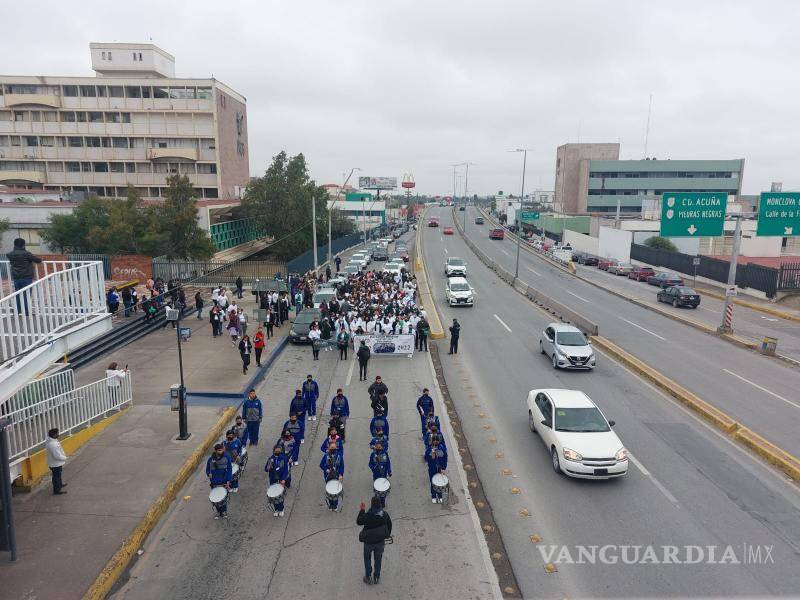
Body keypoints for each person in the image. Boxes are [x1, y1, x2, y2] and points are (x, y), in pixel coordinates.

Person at [357, 496, 392, 585]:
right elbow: (389, 525)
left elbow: (359, 521)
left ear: (372, 504)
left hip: (368, 543)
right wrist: (385, 535)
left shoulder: (368, 515)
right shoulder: (384, 514)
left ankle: (368, 577)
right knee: (378, 560)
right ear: (380, 504)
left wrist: (362, 510)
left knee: (367, 559)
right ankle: (376, 577)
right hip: (380, 542)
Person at [205, 443, 232, 518]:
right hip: (214, 482)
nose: (221, 451)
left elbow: (229, 469)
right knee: (216, 498)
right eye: (219, 450)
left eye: (221, 450)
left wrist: (228, 480)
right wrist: (208, 474)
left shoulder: (227, 458)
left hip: (223, 481)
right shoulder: (210, 459)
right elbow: (207, 469)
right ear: (216, 451)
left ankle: (224, 511)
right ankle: (218, 512)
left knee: (222, 498)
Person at [265, 445, 290, 516]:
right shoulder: (270, 459)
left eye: (279, 451)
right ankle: (276, 509)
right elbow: (266, 469)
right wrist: (269, 466)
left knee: (280, 495)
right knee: (274, 496)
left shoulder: (283, 458)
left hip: (280, 479)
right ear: (274, 451)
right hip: (273, 480)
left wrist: (283, 479)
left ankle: (281, 509)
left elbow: (285, 469)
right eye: (276, 451)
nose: (277, 452)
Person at [320, 441, 344, 511]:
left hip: (336, 475)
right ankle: (331, 504)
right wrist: (326, 470)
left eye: (334, 447)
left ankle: (335, 505)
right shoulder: (326, 455)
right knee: (330, 490)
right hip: (328, 476)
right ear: (329, 448)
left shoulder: (339, 456)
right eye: (332, 447)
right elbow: (321, 465)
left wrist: (341, 474)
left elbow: (342, 466)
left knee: (335, 491)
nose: (333, 448)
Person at [368, 442, 392, 507]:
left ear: (382, 447)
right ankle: (377, 503)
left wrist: (389, 471)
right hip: (376, 475)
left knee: (383, 490)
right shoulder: (373, 455)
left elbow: (388, 463)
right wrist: (373, 468)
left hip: (383, 475)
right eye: (377, 447)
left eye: (380, 447)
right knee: (377, 489)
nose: (378, 448)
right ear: (375, 447)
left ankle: (383, 502)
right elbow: (370, 464)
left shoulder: (385, 454)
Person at [425, 438, 448, 503]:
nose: (435, 442)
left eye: (437, 441)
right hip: (432, 469)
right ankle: (434, 496)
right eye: (434, 441)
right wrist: (431, 456)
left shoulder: (442, 449)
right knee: (433, 483)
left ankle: (440, 496)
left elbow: (445, 459)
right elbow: (426, 458)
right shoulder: (429, 450)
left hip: (440, 470)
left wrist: (443, 468)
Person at [45, 428, 67, 495]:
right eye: (57, 433)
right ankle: (57, 490)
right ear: (54, 435)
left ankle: (60, 484)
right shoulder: (52, 445)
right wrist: (65, 458)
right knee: (56, 477)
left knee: (58, 475)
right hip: (55, 463)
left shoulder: (53, 441)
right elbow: (57, 456)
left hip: (56, 463)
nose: (58, 434)